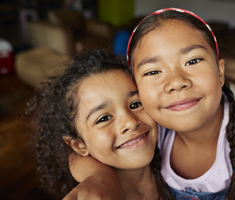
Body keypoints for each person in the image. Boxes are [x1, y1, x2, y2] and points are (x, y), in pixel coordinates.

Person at [64, 8, 235, 200]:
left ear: (220, 72)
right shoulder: (152, 128)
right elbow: (76, 149)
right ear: (139, 91)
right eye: (153, 71)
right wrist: (98, 175)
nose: (176, 82)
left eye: (193, 60)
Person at [24, 49, 174, 200]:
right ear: (78, 145)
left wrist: (97, 175)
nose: (130, 122)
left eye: (135, 104)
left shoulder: (172, 145)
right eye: (103, 118)